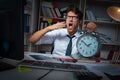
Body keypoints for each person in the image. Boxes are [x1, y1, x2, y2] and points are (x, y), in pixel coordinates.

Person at [29, 6, 97, 61]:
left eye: (74, 17)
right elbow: (32, 40)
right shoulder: (58, 33)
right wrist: (48, 28)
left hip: (75, 65)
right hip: (55, 64)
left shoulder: (84, 37)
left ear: (79, 22)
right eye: (68, 17)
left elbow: (96, 54)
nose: (70, 19)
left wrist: (93, 34)